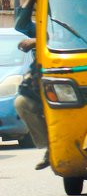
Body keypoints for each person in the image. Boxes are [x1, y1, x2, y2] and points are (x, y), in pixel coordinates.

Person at [12, 34, 49, 170]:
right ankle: (51, 147)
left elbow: (67, 40)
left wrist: (39, 40)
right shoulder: (50, 17)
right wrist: (37, 40)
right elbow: (22, 25)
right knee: (21, 102)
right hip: (47, 85)